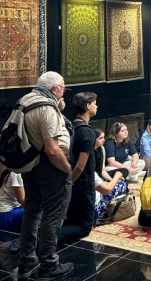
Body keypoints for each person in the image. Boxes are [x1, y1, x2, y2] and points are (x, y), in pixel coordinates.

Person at [17, 71, 73, 279]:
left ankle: (26, 260)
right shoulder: (46, 108)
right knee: (53, 216)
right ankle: (49, 265)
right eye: (63, 89)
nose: (63, 93)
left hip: (29, 165)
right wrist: (67, 168)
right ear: (56, 89)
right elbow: (51, 148)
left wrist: (57, 109)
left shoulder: (25, 100)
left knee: (32, 212)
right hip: (49, 168)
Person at [59, 92, 98, 244]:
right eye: (94, 103)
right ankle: (43, 238)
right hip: (82, 184)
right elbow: (81, 166)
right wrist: (71, 183)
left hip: (70, 180)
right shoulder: (87, 132)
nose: (96, 106)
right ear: (88, 106)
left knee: (72, 219)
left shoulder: (70, 127)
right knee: (84, 226)